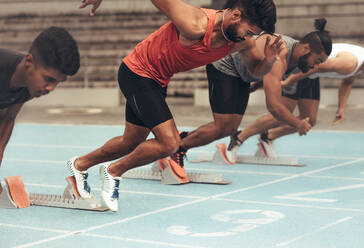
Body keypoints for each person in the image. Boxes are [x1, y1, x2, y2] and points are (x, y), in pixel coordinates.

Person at [68, 0, 281, 211]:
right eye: (249, 31)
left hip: (158, 80)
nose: (249, 37)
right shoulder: (194, 22)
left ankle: (79, 166)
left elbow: (255, 71)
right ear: (236, 15)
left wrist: (269, 61)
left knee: (130, 141)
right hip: (137, 73)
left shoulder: (241, 41)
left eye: (253, 34)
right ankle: (113, 171)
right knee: (170, 143)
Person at [169, 18, 332, 166]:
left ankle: (184, 138)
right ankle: (178, 148)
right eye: (317, 61)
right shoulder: (281, 54)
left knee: (230, 128)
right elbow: (274, 107)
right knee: (222, 126)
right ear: (306, 49)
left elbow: (267, 70)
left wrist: (259, 82)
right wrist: (297, 124)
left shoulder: (297, 58)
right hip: (225, 65)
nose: (315, 67)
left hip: (244, 75)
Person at [226, 43, 364, 160]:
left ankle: (268, 137)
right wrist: (290, 79)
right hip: (300, 70)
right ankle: (238, 138)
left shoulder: (360, 65)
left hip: (311, 76)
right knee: (281, 114)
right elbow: (315, 66)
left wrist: (341, 109)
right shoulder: (350, 62)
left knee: (309, 120)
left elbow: (347, 83)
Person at [0, 27, 80, 169]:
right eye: (48, 79)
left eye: (57, 82)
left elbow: (7, 119)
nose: (51, 88)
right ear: (29, 62)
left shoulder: (30, 86)